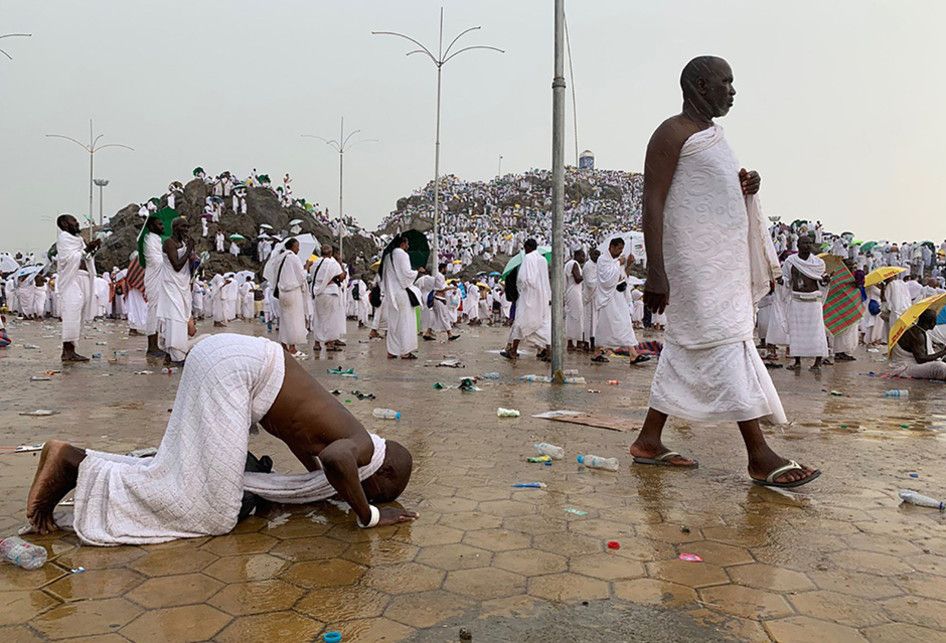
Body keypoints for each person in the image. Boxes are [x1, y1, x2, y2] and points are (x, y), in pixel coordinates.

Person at [25, 333, 418, 543]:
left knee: (178, 469)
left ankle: (75, 461)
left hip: (225, 357)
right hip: (236, 371)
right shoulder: (363, 445)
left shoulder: (342, 433)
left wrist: (308, 491)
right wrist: (369, 515)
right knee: (212, 510)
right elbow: (337, 462)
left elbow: (313, 456)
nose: (371, 494)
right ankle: (75, 464)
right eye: (379, 492)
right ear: (382, 474)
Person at [635, 56, 819, 488]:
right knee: (725, 342)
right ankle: (759, 455)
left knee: (688, 345)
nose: (733, 91)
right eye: (726, 82)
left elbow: (711, 192)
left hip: (720, 264)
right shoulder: (672, 133)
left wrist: (748, 184)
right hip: (694, 266)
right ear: (701, 85)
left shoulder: (713, 137)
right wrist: (656, 272)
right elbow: (654, 201)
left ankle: (648, 440)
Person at [592, 238, 646, 365]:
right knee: (609, 325)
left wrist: (628, 265)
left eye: (622, 249)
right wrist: (618, 263)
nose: (620, 251)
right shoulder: (603, 260)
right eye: (618, 248)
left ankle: (631, 353)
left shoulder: (616, 261)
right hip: (608, 298)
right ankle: (632, 354)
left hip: (618, 298)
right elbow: (606, 279)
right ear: (611, 247)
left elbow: (623, 277)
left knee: (624, 323)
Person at [55, 214, 99, 362]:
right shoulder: (64, 238)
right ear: (65, 224)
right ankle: (67, 351)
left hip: (83, 277)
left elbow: (85, 257)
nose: (77, 223)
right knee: (71, 312)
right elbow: (68, 259)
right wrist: (87, 250)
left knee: (78, 315)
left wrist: (92, 249)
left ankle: (70, 351)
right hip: (71, 280)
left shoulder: (79, 239)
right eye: (74, 221)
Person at [784, 235, 830, 372]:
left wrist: (826, 280)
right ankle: (797, 361)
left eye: (810, 243)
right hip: (797, 299)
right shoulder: (790, 261)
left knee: (817, 332)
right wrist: (782, 281)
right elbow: (786, 279)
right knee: (797, 331)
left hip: (813, 301)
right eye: (805, 243)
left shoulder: (818, 263)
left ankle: (818, 362)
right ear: (798, 245)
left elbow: (821, 281)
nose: (808, 245)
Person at [502, 239, 551, 361]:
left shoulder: (528, 258)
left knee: (520, 322)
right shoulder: (543, 260)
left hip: (528, 297)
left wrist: (519, 290)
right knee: (542, 323)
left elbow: (523, 279)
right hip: (542, 297)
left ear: (528, 247)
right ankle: (549, 352)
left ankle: (513, 351)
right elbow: (545, 280)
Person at [157, 218, 195, 366]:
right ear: (175, 228)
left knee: (181, 317)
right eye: (183, 227)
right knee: (175, 317)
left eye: (187, 226)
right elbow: (177, 265)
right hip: (171, 285)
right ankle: (176, 355)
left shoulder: (183, 244)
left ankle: (170, 353)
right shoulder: (169, 243)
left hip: (182, 284)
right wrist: (189, 249)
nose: (186, 229)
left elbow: (187, 265)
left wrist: (192, 257)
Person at [381, 234, 424, 359]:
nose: (408, 246)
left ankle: (392, 350)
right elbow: (406, 274)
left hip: (391, 293)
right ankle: (405, 351)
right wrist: (417, 271)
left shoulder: (388, 256)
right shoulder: (402, 255)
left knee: (393, 323)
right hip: (401, 292)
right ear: (402, 244)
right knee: (406, 322)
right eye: (407, 244)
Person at [275, 239, 308, 358]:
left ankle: (284, 346)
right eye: (297, 246)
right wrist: (306, 268)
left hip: (282, 292)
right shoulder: (293, 258)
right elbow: (301, 276)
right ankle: (293, 348)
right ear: (292, 247)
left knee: (284, 320)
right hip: (292, 291)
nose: (299, 249)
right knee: (294, 320)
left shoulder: (280, 258)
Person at [889, 310, 946, 380]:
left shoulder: (921, 331)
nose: (935, 323)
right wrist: (943, 352)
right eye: (935, 321)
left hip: (915, 363)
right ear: (931, 322)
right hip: (906, 367)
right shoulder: (916, 334)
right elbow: (921, 359)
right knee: (940, 367)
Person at [311, 244, 346, 352]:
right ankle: (330, 343)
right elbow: (341, 277)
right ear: (330, 253)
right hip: (330, 292)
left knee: (318, 318)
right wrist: (340, 264)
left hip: (318, 293)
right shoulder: (332, 262)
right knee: (331, 319)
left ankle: (317, 343)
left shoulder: (316, 262)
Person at [143, 216, 167, 359]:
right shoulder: (149, 239)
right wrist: (170, 257)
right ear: (151, 226)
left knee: (159, 312)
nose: (162, 226)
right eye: (159, 224)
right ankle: (151, 346)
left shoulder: (158, 239)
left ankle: (156, 344)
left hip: (161, 279)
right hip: (154, 278)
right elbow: (156, 260)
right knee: (153, 311)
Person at [564, 249, 585, 351]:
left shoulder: (568, 264)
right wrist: (586, 274)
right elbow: (577, 279)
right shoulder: (574, 263)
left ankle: (570, 342)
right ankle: (577, 342)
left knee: (571, 317)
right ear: (577, 255)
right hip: (574, 292)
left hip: (570, 291)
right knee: (577, 316)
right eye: (582, 256)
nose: (584, 258)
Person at [581, 248, 600, 351]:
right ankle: (587, 342)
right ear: (591, 254)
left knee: (595, 321)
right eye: (595, 254)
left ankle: (594, 341)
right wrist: (599, 280)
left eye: (598, 255)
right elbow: (589, 283)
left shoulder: (597, 265)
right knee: (588, 321)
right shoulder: (588, 266)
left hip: (595, 297)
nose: (597, 256)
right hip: (588, 297)